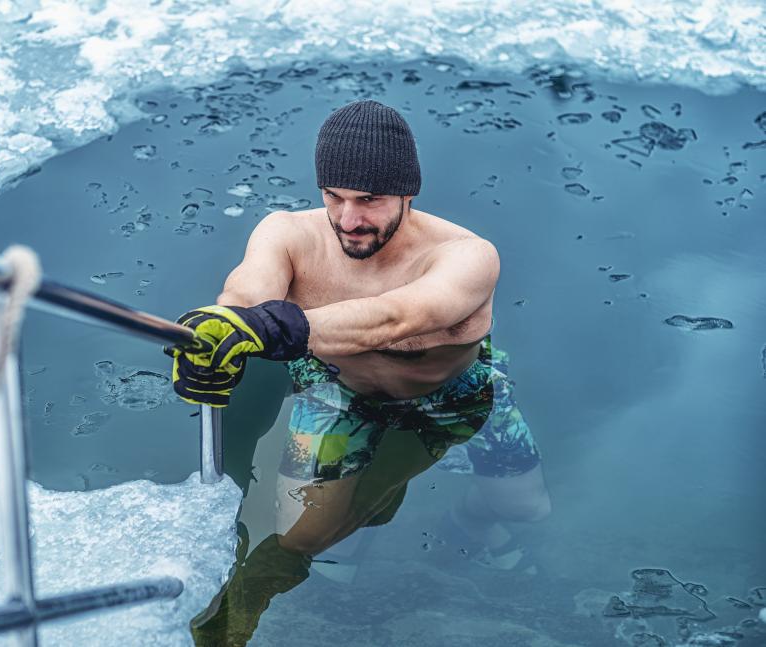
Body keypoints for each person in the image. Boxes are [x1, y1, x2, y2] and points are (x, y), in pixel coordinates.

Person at [168, 100, 550, 645]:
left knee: (527, 510)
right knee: (303, 539)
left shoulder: (467, 255)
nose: (349, 219)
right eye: (334, 196)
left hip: (454, 392)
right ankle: (268, 590)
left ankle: (465, 524)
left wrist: (279, 327)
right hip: (336, 392)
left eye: (369, 200)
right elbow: (248, 294)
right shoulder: (287, 233)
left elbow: (398, 317)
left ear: (407, 193)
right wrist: (218, 330)